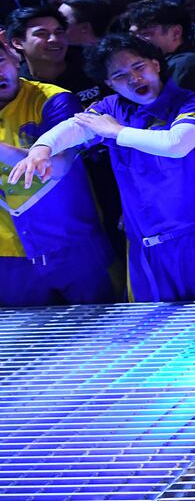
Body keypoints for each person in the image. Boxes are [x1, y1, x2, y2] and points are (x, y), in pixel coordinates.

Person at [10, 34, 195, 302]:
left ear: (156, 64)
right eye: (120, 75)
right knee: (155, 332)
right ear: (109, 83)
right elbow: (75, 126)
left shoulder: (192, 102)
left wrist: (116, 131)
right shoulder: (111, 107)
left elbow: (176, 144)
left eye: (139, 67)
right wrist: (42, 148)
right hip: (142, 243)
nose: (134, 78)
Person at [0, 42, 118, 306]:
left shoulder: (54, 99)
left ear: (14, 54)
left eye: (0, 61)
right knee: (27, 342)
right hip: (8, 256)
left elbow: (58, 166)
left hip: (73, 244)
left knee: (107, 332)